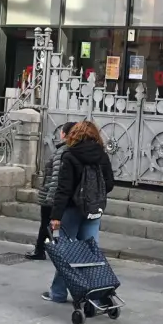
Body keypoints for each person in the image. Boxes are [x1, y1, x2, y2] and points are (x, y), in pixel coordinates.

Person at [42, 120, 114, 303]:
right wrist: (94, 195)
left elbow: (63, 189)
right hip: (93, 210)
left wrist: (56, 216)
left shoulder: (70, 155)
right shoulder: (102, 156)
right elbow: (110, 184)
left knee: (67, 253)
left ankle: (58, 293)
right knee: (91, 253)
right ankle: (94, 296)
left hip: (72, 210)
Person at [26, 122, 76, 261]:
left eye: (61, 131)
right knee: (47, 225)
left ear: (64, 134)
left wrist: (50, 198)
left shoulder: (63, 151)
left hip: (52, 194)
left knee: (47, 224)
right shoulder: (68, 150)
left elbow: (56, 177)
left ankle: (42, 250)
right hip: (54, 194)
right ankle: (42, 249)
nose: (59, 134)